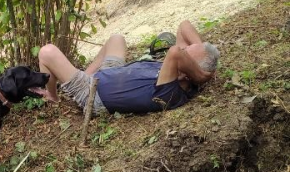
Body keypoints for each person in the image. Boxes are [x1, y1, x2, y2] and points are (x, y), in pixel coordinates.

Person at [38, 20, 219, 115]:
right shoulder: (180, 73)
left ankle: (53, 96)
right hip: (113, 74)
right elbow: (184, 26)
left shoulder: (171, 91)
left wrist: (201, 75)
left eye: (186, 52)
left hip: (95, 94)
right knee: (116, 39)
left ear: (189, 74)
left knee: (47, 52)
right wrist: (199, 53)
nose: (182, 48)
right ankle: (73, 78)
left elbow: (174, 52)